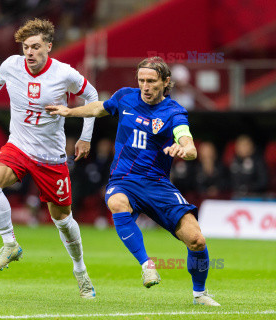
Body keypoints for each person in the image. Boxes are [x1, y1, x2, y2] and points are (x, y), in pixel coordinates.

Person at [0, 18, 97, 299]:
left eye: (36, 47)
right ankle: (10, 244)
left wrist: (86, 136)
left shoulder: (64, 73)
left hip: (51, 157)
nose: (30, 52)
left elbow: (91, 94)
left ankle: (80, 271)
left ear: (48, 46)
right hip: (19, 147)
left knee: (62, 220)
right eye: (26, 47)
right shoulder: (11, 65)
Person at [46, 56, 221, 306]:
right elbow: (98, 108)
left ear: (166, 82)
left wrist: (185, 150)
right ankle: (147, 264)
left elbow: (188, 143)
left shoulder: (173, 112)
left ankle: (200, 294)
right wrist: (70, 111)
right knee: (117, 202)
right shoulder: (125, 97)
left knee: (196, 240)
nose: (145, 86)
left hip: (158, 184)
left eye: (151, 81)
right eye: (141, 80)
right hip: (124, 180)